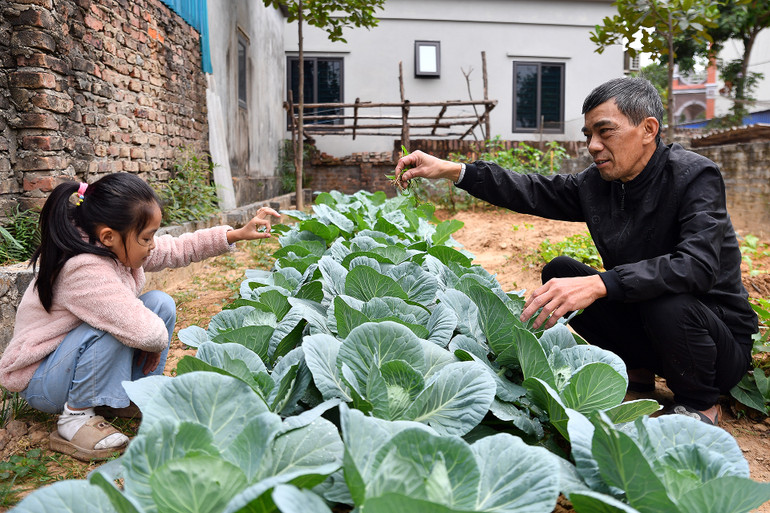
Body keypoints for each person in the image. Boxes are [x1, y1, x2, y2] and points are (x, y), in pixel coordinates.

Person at [394, 77, 757, 426]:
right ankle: (638, 372)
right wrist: (455, 170)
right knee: (561, 272)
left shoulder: (694, 176)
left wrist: (600, 284)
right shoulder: (600, 185)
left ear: (648, 129)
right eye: (589, 135)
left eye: (605, 131)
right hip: (654, 331)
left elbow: (698, 266)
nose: (593, 145)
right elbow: (531, 189)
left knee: (665, 298)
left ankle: (700, 403)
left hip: (715, 344)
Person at [0, 173, 281, 460]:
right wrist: (154, 344)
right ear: (108, 236)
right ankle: (74, 418)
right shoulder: (82, 268)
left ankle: (129, 397)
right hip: (43, 380)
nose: (153, 245)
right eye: (147, 237)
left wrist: (235, 233)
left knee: (159, 303)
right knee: (117, 324)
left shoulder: (114, 246)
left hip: (69, 363)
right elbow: (149, 334)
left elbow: (178, 248)